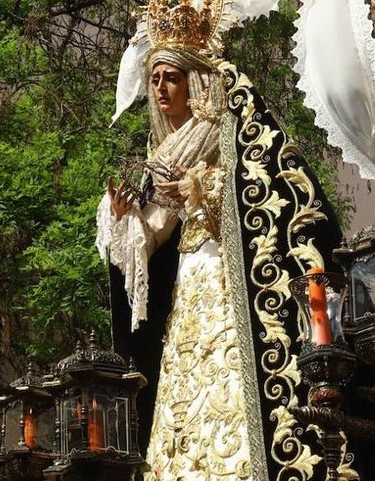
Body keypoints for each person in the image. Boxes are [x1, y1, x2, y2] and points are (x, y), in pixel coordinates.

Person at [98, 47, 251, 479]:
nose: (161, 87)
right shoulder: (160, 153)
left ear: (193, 83)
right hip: (187, 274)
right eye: (155, 79)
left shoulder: (222, 131)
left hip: (221, 269)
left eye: (171, 78)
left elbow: (251, 192)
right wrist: (125, 216)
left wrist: (199, 187)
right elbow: (155, 234)